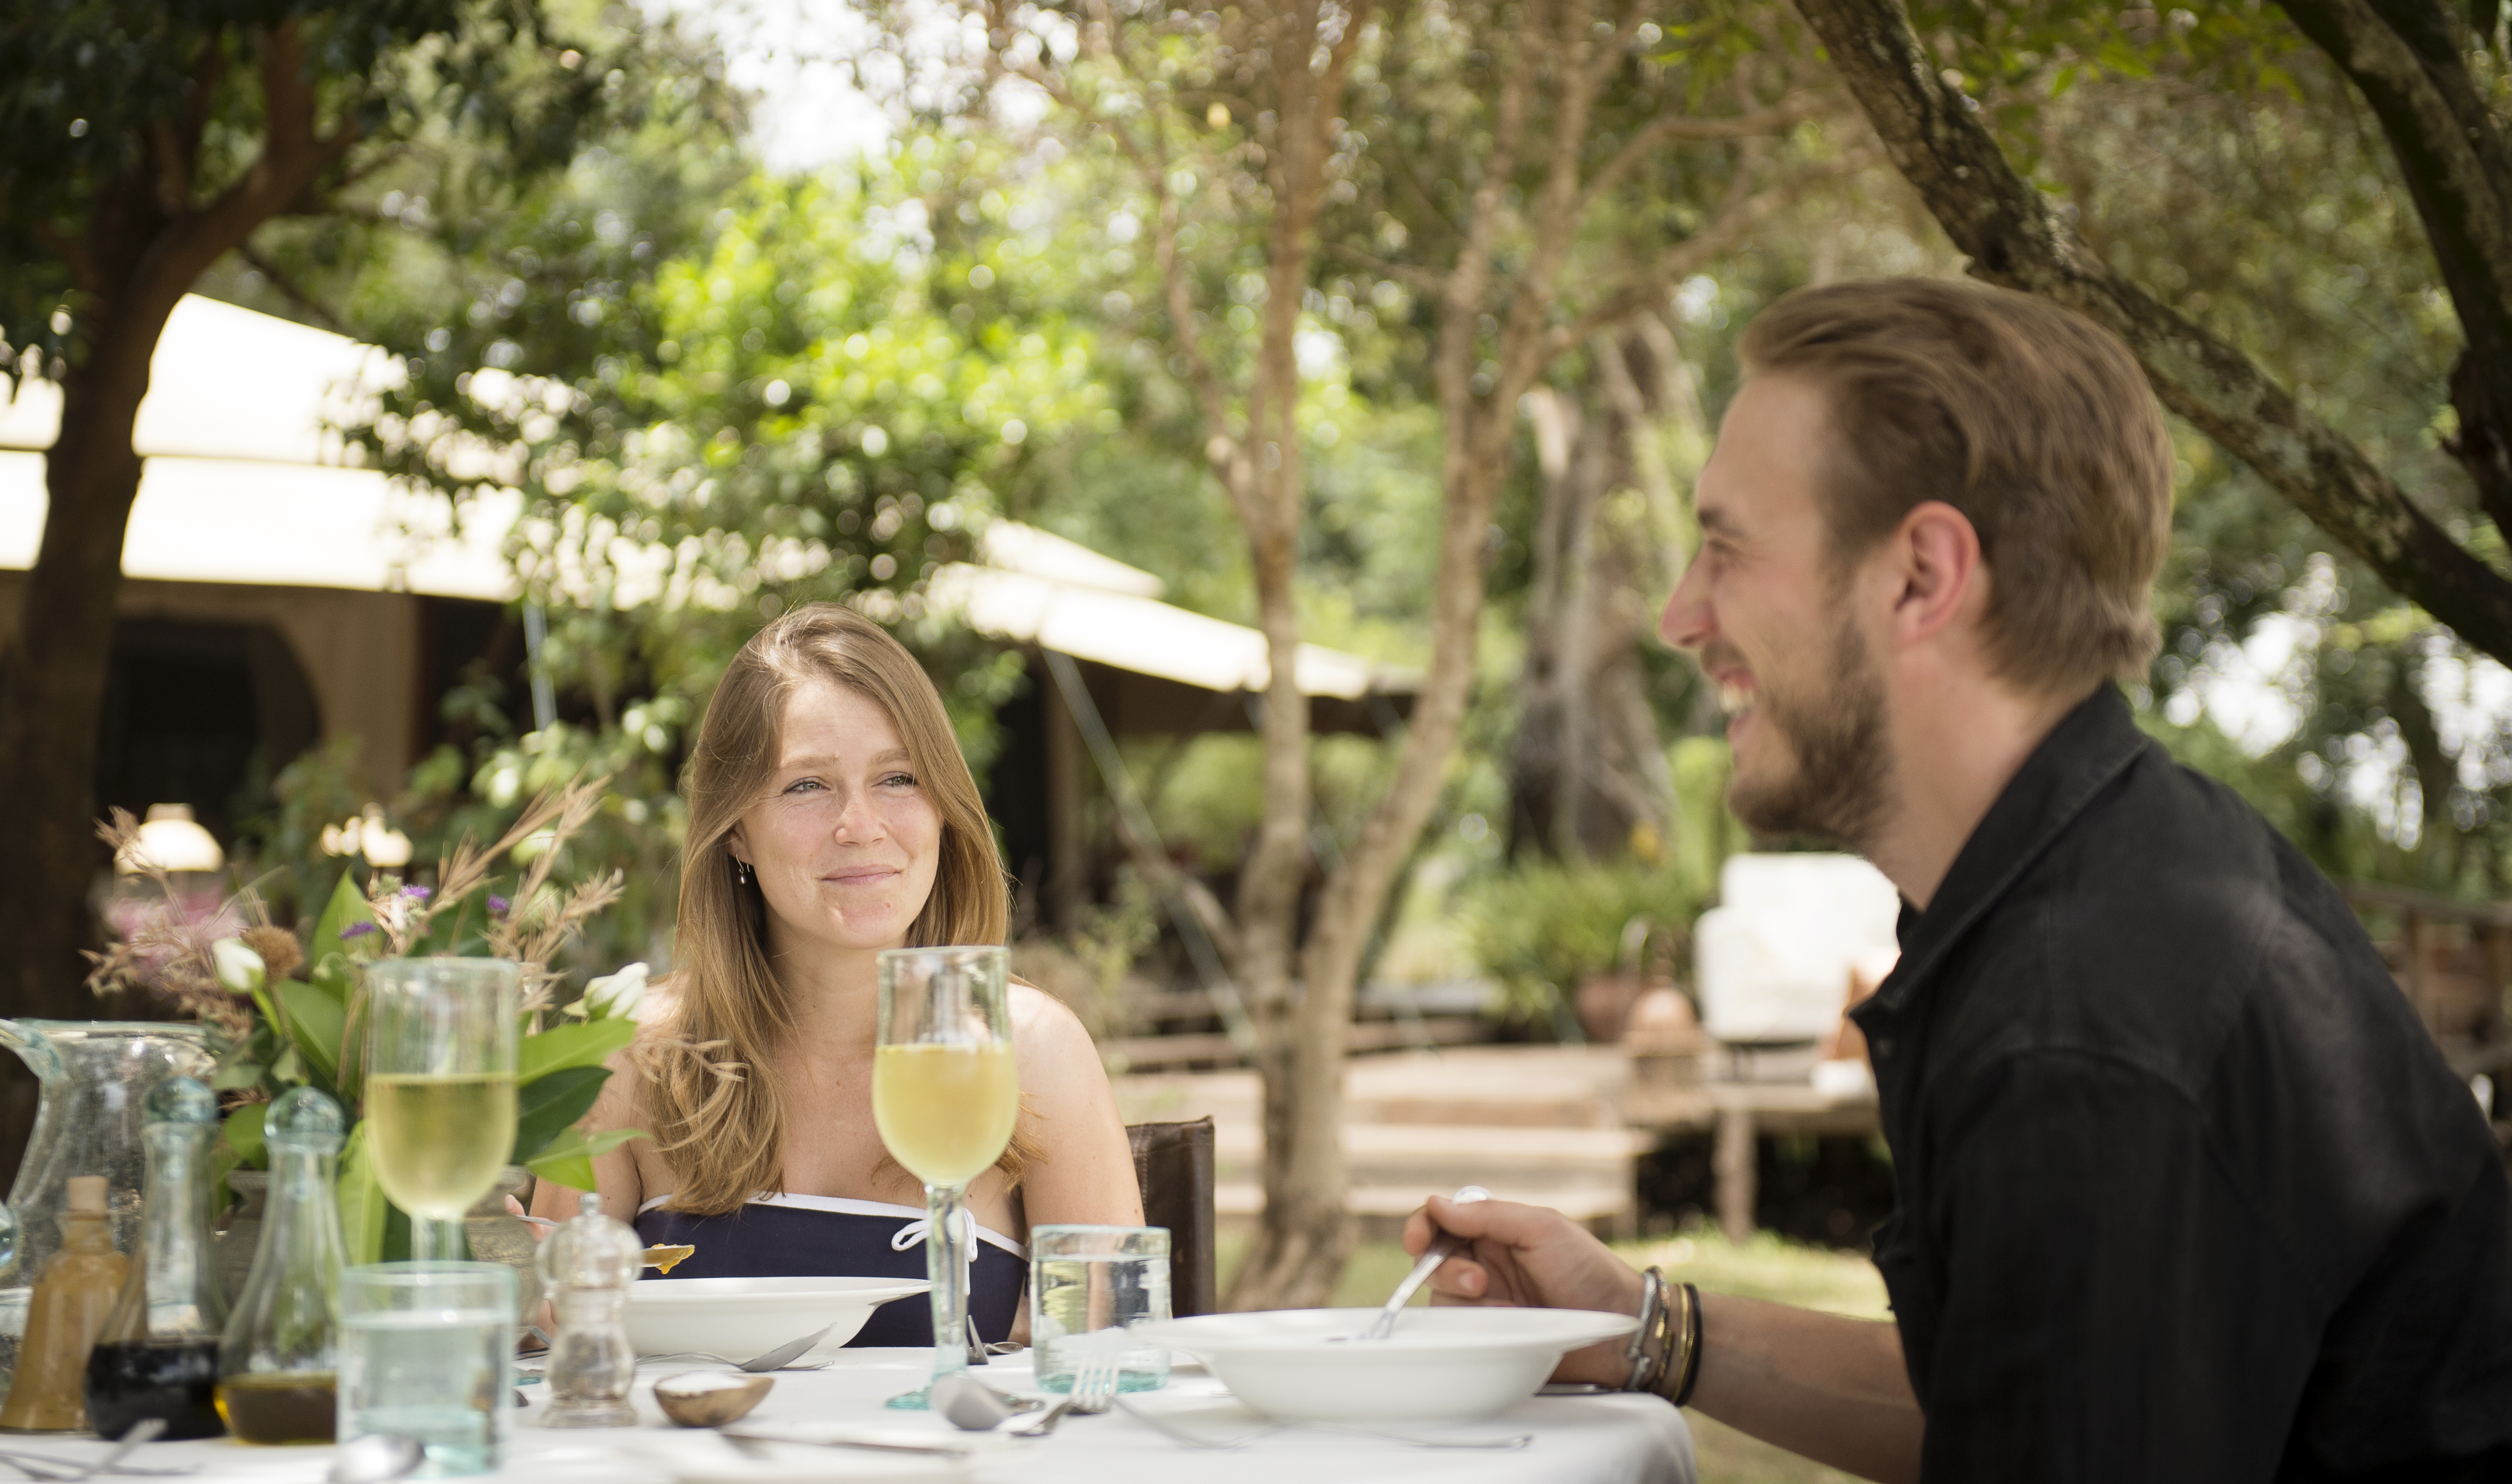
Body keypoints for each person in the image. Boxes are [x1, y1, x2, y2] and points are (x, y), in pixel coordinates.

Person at [1408, 280, 2512, 1480]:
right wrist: (1642, 1327)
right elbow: (2005, 1400)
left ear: (1923, 574)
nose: (1682, 613)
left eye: (1725, 548)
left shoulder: (2083, 1020)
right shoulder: (2079, 889)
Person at [533, 604, 1141, 1343]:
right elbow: (547, 1332)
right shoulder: (629, 1052)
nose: (860, 824)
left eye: (898, 778)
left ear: (944, 809)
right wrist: (508, 1279)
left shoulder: (1030, 1051)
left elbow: (1115, 1357)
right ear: (734, 834)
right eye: (806, 787)